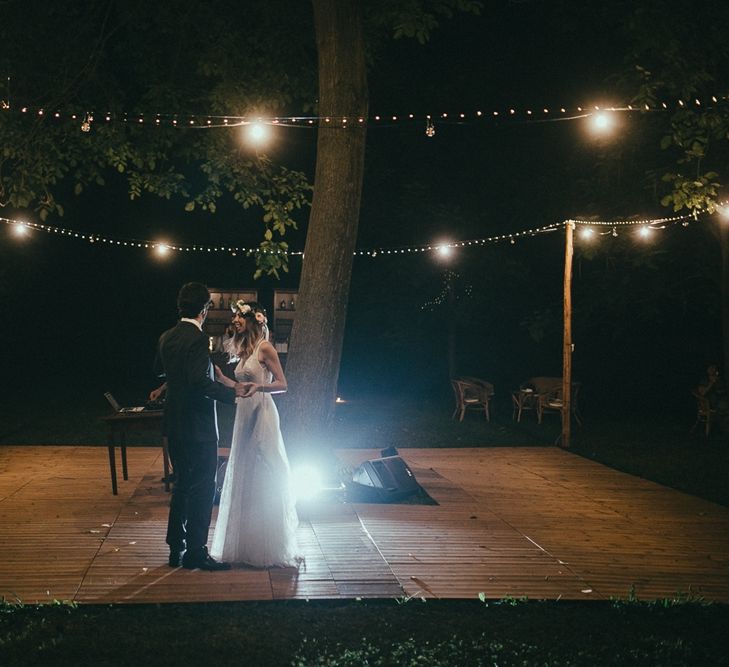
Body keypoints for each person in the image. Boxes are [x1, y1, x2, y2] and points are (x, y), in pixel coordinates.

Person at [154, 282, 249, 571]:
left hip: (175, 424)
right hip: (199, 426)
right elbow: (198, 381)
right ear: (205, 309)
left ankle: (175, 548)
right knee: (203, 487)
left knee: (181, 484)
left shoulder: (166, 336)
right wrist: (232, 394)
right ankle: (196, 551)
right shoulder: (197, 339)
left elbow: (164, 371)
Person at [210, 302, 302, 568]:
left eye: (239, 316)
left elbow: (283, 384)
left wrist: (258, 387)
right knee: (245, 471)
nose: (235, 320)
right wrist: (225, 381)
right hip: (244, 414)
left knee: (264, 469)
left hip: (262, 412)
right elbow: (242, 385)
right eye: (235, 317)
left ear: (252, 320)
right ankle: (243, 545)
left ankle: (267, 546)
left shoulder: (265, 347)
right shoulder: (243, 351)